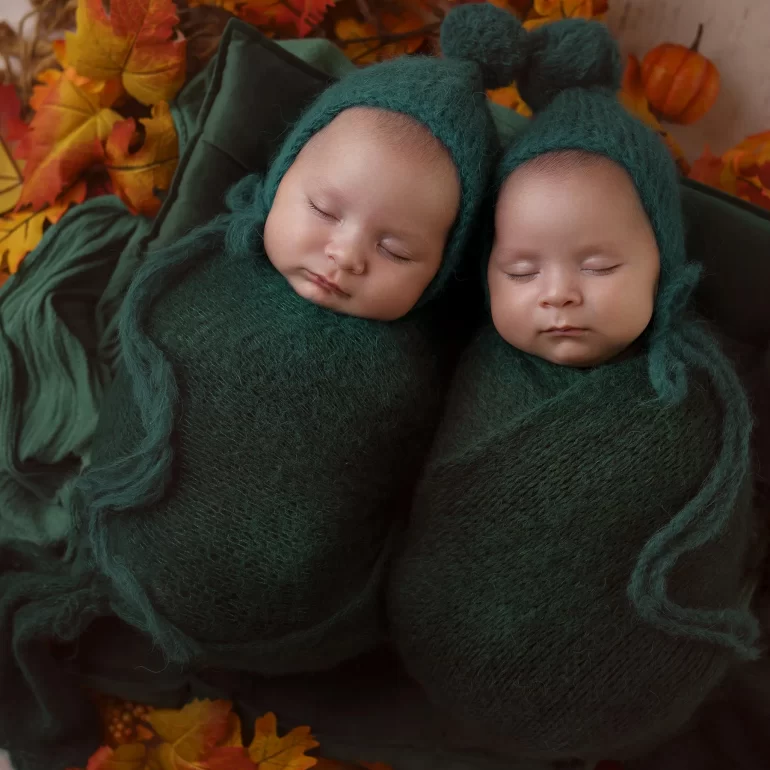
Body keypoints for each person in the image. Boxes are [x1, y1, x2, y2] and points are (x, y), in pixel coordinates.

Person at [389, 18, 762, 763]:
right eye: (521, 271)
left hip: (629, 670)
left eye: (598, 267)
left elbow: (718, 535)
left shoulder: (692, 393)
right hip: (454, 640)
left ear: (662, 263)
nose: (557, 295)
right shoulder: (473, 366)